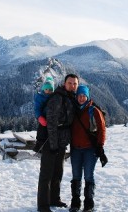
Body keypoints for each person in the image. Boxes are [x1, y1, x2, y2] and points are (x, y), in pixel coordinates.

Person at [37, 74, 79, 212]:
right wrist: (54, 144)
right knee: (46, 174)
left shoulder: (70, 98)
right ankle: (43, 206)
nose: (72, 85)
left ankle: (54, 199)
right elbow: (52, 123)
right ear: (64, 83)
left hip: (61, 142)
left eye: (75, 83)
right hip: (51, 141)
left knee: (57, 172)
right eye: (70, 83)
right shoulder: (57, 98)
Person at [69, 85, 106, 212]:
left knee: (88, 176)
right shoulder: (73, 110)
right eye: (79, 95)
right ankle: (75, 202)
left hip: (90, 149)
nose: (81, 98)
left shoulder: (94, 110)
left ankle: (89, 203)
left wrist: (100, 146)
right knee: (76, 176)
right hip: (75, 149)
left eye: (84, 96)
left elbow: (102, 129)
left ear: (88, 97)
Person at [33, 77, 55, 152]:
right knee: (41, 133)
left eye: (50, 89)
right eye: (46, 89)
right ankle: (38, 147)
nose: (48, 91)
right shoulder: (40, 97)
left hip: (52, 118)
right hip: (43, 118)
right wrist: (39, 117)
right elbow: (37, 109)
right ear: (43, 89)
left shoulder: (55, 97)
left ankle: (50, 148)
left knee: (51, 134)